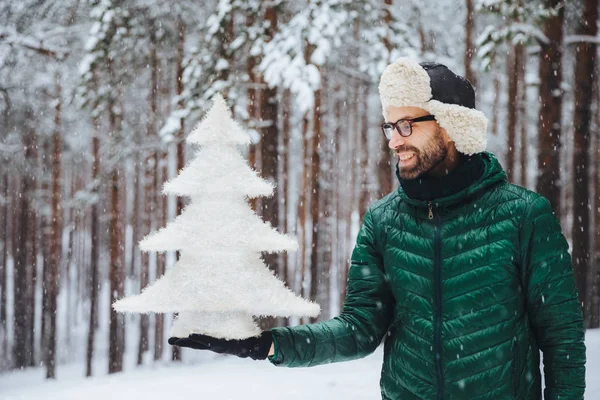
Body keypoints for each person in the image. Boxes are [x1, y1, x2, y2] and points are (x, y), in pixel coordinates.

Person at [169, 58, 586, 399]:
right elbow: (358, 329)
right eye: (390, 126)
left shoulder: (524, 216)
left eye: (407, 124)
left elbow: (562, 340)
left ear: (451, 125)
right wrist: (267, 344)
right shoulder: (384, 221)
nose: (394, 140)